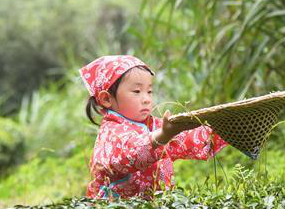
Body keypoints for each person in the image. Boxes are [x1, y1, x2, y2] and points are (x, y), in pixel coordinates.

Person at [80, 55, 227, 200]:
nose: (146, 99)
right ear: (107, 99)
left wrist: (225, 126)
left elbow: (187, 140)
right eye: (137, 91)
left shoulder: (154, 126)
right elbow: (130, 154)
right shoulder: (111, 133)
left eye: (149, 91)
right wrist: (163, 135)